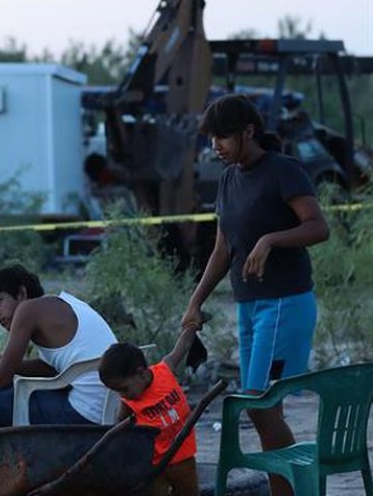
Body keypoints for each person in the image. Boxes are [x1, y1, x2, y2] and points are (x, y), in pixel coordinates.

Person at [181, 93, 330, 496]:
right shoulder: (228, 178)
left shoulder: (284, 171)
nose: (216, 146)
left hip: (285, 304)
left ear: (249, 131)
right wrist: (196, 301)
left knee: (260, 401)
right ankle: (290, 487)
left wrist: (270, 240)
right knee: (264, 407)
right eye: (212, 138)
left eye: (223, 137)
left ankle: (295, 488)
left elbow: (318, 228)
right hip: (249, 307)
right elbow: (222, 248)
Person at [0, 264, 117, 430]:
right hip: (111, 408)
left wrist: (4, 369)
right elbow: (53, 369)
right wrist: (5, 363)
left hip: (84, 412)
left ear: (22, 293)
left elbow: (0, 383)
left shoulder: (28, 310)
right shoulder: (63, 305)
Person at [98, 320, 204, 496]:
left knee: (189, 492)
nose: (122, 395)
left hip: (182, 457)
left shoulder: (165, 370)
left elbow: (182, 346)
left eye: (123, 388)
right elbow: (120, 426)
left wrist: (192, 324)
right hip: (152, 464)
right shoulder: (128, 401)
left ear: (141, 373)